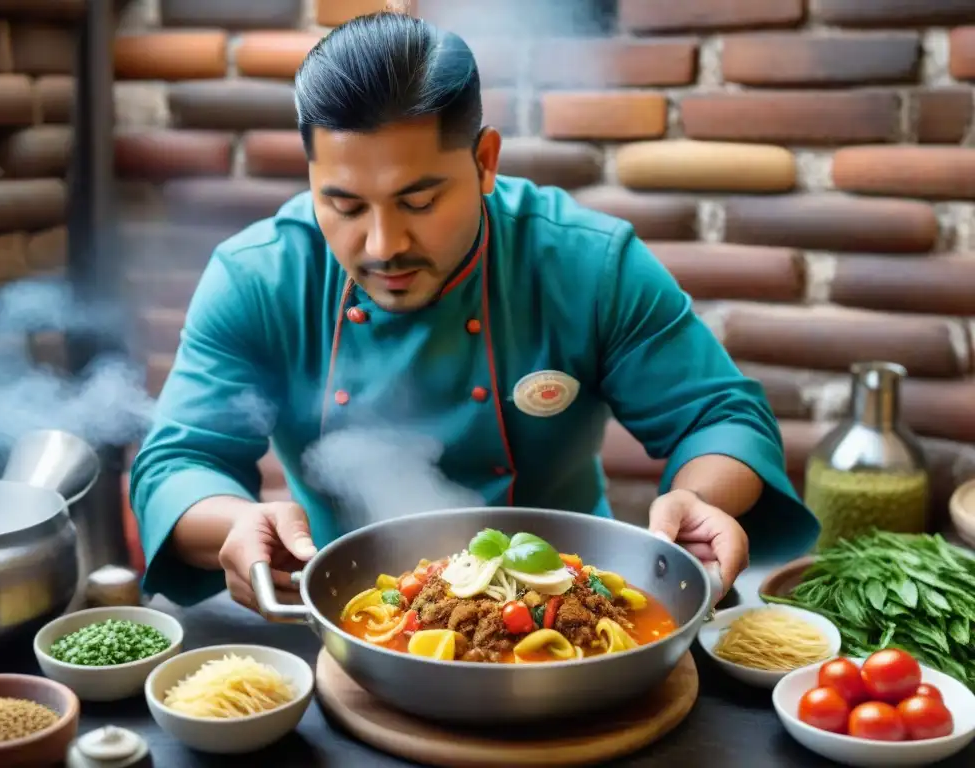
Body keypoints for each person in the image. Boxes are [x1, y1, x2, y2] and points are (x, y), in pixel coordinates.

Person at [129, 11, 819, 612]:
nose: (382, 245)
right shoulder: (260, 278)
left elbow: (721, 416)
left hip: (567, 609)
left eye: (420, 201)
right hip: (346, 614)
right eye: (343, 204)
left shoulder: (586, 263)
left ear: (485, 161)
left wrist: (702, 495)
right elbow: (176, 463)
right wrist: (234, 525)